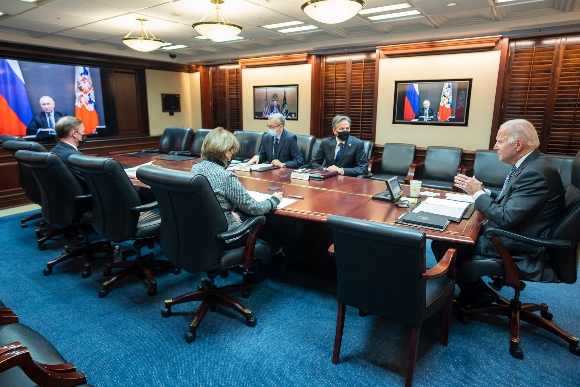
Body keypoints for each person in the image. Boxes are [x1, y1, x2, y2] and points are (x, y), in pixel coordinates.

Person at [431, 119, 566, 308]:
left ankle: (475, 293)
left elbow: (506, 217)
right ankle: (477, 290)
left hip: (520, 245)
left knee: (443, 243)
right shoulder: (534, 164)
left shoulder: (535, 173)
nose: (494, 146)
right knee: (453, 236)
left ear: (518, 144)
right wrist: (483, 192)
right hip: (519, 233)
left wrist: (477, 193)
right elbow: (513, 202)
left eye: (500, 141)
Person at [191, 127, 283, 245]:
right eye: (231, 151)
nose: (232, 154)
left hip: (202, 230)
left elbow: (207, 200)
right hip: (225, 236)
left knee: (241, 214)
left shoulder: (196, 168)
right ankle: (276, 253)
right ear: (225, 151)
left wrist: (225, 211)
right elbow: (254, 208)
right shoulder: (226, 176)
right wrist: (274, 200)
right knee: (264, 223)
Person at [51, 116, 89, 191]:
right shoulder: (75, 157)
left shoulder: (53, 151)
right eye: (83, 131)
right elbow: (89, 184)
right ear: (74, 133)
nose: (84, 134)